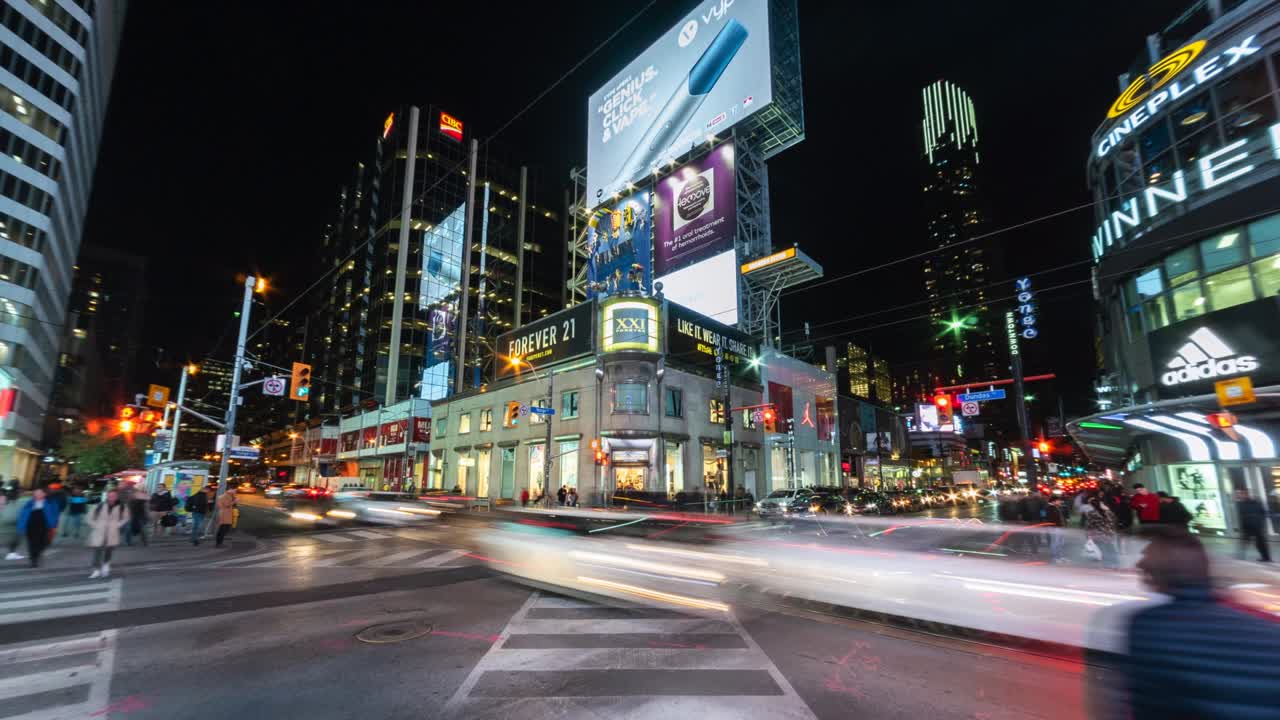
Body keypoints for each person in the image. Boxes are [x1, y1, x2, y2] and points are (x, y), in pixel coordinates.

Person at [1121, 531, 1280, 719]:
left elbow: (1145, 705)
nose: (1139, 564)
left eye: (1146, 558)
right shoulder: (1261, 620)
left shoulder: (1149, 625)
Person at [86, 488, 125, 578]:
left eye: (114, 496)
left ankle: (106, 565)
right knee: (97, 551)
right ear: (107, 496)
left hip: (112, 532)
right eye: (110, 495)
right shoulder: (100, 505)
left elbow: (125, 517)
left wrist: (118, 525)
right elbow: (89, 517)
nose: (111, 497)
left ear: (117, 497)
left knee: (109, 550)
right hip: (100, 532)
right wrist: (95, 525)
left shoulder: (121, 507)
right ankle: (96, 570)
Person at [16, 486, 58, 567]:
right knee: (31, 543)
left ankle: (37, 553)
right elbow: (23, 514)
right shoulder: (30, 502)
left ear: (44, 494)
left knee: (43, 542)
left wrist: (54, 525)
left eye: (39, 493)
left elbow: (55, 514)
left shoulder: (50, 502)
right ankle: (33, 559)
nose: (36, 494)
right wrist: (21, 525)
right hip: (30, 525)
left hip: (44, 526)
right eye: (35, 493)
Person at [1235, 489, 1271, 563]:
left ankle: (1265, 557)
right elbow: (1264, 513)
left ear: (1246, 495)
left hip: (1253, 525)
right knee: (1257, 542)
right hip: (1253, 525)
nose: (1241, 496)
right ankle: (1266, 557)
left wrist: (1259, 521)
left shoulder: (1244, 504)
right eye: (1241, 494)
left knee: (1256, 542)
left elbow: (1263, 513)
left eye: (1242, 494)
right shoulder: (1245, 503)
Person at [1086, 495, 1120, 568]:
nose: (1103, 504)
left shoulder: (1092, 513)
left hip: (1099, 535)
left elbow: (1090, 525)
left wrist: (1088, 535)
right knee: (1110, 549)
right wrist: (1108, 510)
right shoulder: (1107, 512)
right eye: (1102, 503)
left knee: (1105, 550)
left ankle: (1108, 564)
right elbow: (1114, 520)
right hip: (1107, 534)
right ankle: (1114, 563)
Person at [1044, 495, 1068, 563]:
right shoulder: (1049, 508)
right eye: (1058, 500)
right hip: (1054, 528)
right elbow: (1049, 518)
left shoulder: (1056, 507)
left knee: (1061, 542)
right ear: (1054, 501)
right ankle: (1055, 557)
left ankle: (1060, 556)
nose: (1060, 501)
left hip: (1059, 527)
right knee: (1055, 542)